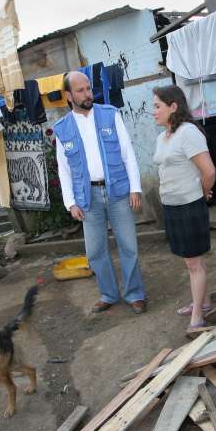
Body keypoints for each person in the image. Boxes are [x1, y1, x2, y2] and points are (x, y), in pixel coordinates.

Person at [54, 71, 146, 314]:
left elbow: (127, 153)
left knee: (129, 246)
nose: (87, 94)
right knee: (95, 251)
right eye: (81, 90)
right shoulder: (62, 129)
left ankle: (134, 293)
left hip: (117, 190)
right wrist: (70, 203)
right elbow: (63, 171)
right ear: (68, 96)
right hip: (88, 199)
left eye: (88, 88)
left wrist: (135, 187)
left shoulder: (110, 115)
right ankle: (108, 294)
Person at [151, 85, 216, 334]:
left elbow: (209, 171)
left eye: (158, 106)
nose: (153, 111)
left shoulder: (189, 133)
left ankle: (198, 315)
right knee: (191, 261)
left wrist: (201, 192)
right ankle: (205, 301)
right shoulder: (162, 137)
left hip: (189, 206)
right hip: (172, 206)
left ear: (173, 106)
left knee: (194, 264)